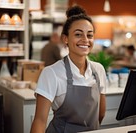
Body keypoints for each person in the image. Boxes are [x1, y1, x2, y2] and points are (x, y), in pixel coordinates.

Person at [30, 5, 107, 133]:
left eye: (90, 35)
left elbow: (101, 114)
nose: (85, 40)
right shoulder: (51, 73)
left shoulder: (99, 70)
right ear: (65, 39)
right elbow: (40, 120)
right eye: (78, 34)